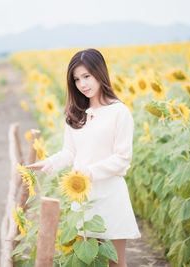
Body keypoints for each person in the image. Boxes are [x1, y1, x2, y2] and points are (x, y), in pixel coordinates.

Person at [26, 48, 141, 267]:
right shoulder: (75, 113)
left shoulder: (119, 112)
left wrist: (88, 172)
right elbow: (70, 152)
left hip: (110, 195)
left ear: (100, 73)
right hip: (82, 198)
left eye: (87, 76)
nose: (82, 84)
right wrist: (48, 162)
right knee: (88, 261)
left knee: (115, 262)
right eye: (77, 79)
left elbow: (122, 158)